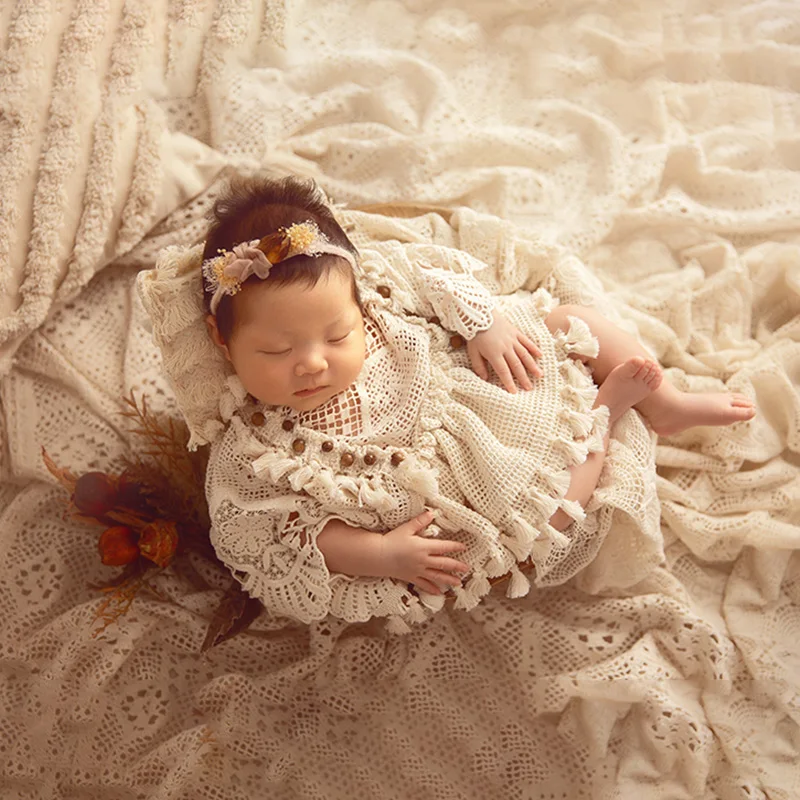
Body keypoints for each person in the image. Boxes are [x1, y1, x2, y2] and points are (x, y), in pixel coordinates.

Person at [197, 173, 756, 632]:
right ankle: (604, 414)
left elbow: (434, 278)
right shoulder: (255, 450)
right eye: (275, 350)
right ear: (223, 342)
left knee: (570, 323)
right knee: (546, 522)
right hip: (445, 511)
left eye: (338, 335)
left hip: (479, 397)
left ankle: (668, 402)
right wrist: (384, 555)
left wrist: (484, 323)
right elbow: (286, 533)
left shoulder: (375, 290)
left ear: (356, 302)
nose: (313, 363)